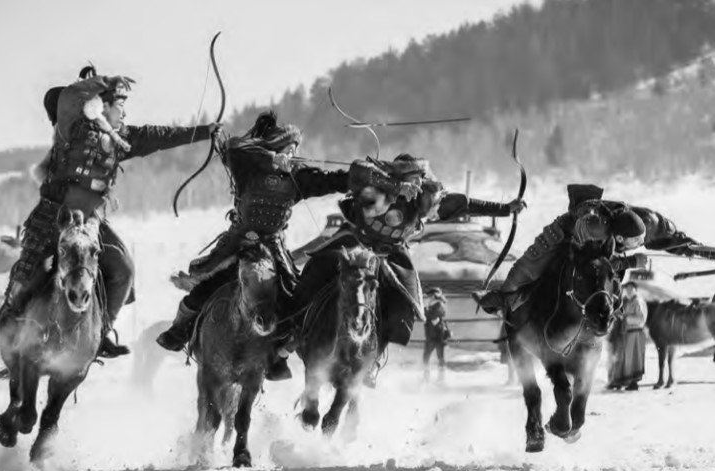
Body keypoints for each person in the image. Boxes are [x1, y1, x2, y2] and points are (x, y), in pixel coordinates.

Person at [0, 66, 222, 360]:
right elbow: (68, 96)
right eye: (120, 105)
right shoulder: (72, 128)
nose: (124, 113)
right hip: (53, 215)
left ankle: (98, 335)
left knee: (124, 269)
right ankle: (13, 326)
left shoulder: (121, 139)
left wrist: (205, 132)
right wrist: (108, 81)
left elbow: (160, 136)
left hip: (90, 222)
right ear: (101, 105)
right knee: (30, 272)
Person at [289, 154, 526, 387]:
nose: (417, 185)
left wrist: (505, 209)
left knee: (404, 304)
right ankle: (294, 333)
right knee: (315, 269)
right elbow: (358, 169)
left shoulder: (425, 200)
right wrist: (395, 187)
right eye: (411, 179)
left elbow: (464, 205)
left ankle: (372, 359)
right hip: (355, 244)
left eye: (419, 179)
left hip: (390, 255)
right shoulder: (377, 187)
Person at [155, 112, 350, 381]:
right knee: (209, 287)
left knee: (294, 301)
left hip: (274, 249)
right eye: (287, 150)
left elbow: (335, 179)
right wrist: (271, 159)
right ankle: (180, 331)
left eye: (295, 151)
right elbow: (235, 146)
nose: (292, 156)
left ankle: (278, 355)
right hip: (239, 244)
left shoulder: (297, 177)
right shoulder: (247, 170)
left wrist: (370, 178)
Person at [473, 184, 715, 316]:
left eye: (639, 240)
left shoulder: (646, 222)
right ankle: (504, 299)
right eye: (631, 242)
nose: (636, 244)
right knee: (528, 266)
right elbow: (588, 264)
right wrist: (630, 262)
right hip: (569, 233)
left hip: (603, 242)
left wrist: (697, 249)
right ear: (618, 235)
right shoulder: (594, 228)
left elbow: (669, 235)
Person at [608, 281, 648, 390]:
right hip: (624, 333)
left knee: (633, 359)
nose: (629, 290)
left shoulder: (638, 301)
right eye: (627, 288)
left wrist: (626, 318)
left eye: (631, 288)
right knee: (623, 358)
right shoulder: (624, 301)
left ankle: (633, 382)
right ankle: (620, 380)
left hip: (635, 333)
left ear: (635, 289)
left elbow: (641, 318)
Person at [422, 287, 451, 383]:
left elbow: (433, 318)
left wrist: (425, 311)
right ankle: (428, 377)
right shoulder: (433, 306)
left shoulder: (438, 305)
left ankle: (439, 378)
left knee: (439, 358)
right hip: (432, 336)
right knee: (428, 358)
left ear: (434, 296)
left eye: (429, 296)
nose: (427, 298)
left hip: (437, 336)